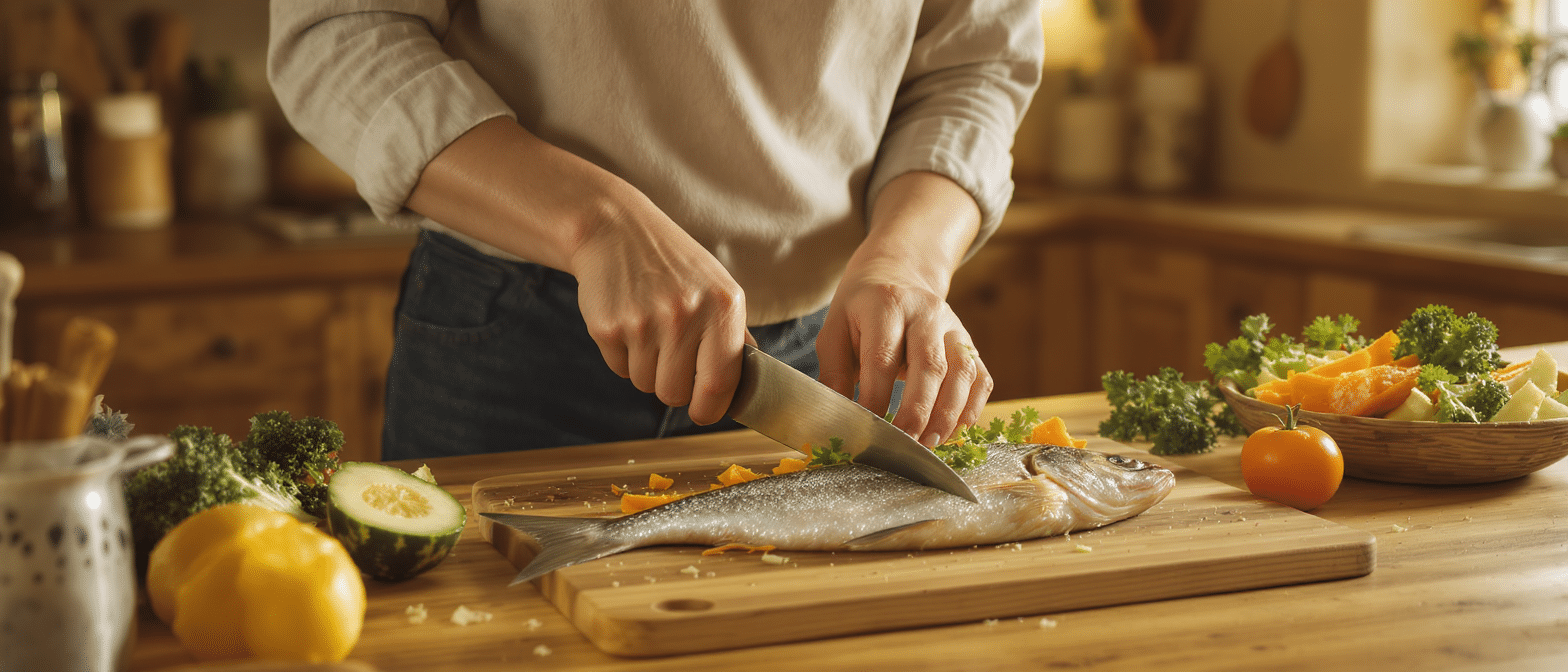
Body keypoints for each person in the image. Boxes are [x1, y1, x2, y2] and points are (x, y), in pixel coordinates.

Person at [268, 1, 1044, 460]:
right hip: (515, 344)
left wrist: (908, 259)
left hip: (831, 356)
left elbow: (972, 67)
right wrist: (595, 223)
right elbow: (342, 29)